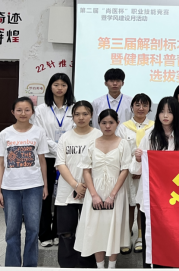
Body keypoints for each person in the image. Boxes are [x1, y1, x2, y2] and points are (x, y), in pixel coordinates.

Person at [131, 96, 179, 268]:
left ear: (176, 114)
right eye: (162, 111)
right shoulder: (150, 136)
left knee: (172, 238)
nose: (165, 115)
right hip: (151, 197)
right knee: (151, 238)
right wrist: (139, 159)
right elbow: (135, 170)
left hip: (175, 198)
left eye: (169, 112)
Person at [74, 109, 131, 269]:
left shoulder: (123, 143)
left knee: (114, 228)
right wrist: (94, 195)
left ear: (117, 123)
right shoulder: (92, 143)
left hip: (116, 192)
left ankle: (111, 267)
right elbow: (86, 170)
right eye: (104, 123)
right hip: (95, 191)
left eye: (111, 122)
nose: (107, 126)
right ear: (98, 124)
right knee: (96, 229)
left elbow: (125, 170)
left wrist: (112, 195)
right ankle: (100, 267)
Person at [0, 97, 49, 267]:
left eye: (27, 110)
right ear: (13, 112)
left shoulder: (39, 132)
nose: (23, 113)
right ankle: (12, 266)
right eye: (19, 110)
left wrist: (45, 185)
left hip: (34, 186)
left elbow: (42, 160)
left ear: (32, 112)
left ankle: (30, 266)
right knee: (12, 230)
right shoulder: (4, 134)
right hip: (10, 187)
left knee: (33, 229)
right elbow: (1, 163)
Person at [55, 101, 101, 268]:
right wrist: (76, 185)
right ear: (72, 116)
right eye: (77, 114)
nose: (81, 117)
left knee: (89, 230)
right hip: (67, 190)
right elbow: (60, 163)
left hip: (92, 191)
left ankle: (87, 265)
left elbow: (101, 164)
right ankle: (68, 266)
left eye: (85, 114)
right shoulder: (65, 137)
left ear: (91, 115)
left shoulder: (98, 135)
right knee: (66, 232)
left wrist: (86, 186)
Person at [33, 73, 76, 247]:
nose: (59, 88)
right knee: (45, 195)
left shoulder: (74, 108)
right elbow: (39, 133)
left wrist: (63, 149)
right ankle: (44, 235)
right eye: (56, 84)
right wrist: (58, 148)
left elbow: (77, 131)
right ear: (50, 87)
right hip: (47, 158)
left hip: (68, 158)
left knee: (63, 195)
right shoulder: (41, 110)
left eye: (63, 85)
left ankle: (59, 231)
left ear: (68, 88)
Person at [115, 93, 155, 255]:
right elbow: (120, 150)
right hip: (127, 172)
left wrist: (141, 167)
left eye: (144, 105)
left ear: (149, 108)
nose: (141, 108)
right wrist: (132, 168)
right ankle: (126, 237)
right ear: (132, 107)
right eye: (137, 105)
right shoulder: (123, 127)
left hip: (147, 173)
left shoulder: (153, 127)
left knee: (142, 205)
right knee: (128, 205)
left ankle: (140, 236)